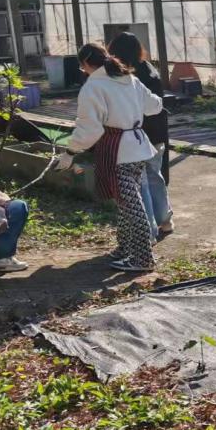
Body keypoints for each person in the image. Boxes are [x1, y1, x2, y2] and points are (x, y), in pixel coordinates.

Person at [56, 43, 163, 272]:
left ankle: (142, 259)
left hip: (118, 150)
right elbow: (154, 106)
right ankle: (125, 249)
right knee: (125, 202)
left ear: (85, 63)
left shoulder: (93, 87)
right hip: (137, 147)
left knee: (132, 205)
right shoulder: (129, 79)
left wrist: (71, 152)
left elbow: (90, 130)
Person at [107, 32, 174, 240]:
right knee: (155, 175)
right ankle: (165, 220)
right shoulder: (148, 68)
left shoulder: (124, 75)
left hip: (137, 134)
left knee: (141, 182)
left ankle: (149, 229)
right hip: (157, 132)